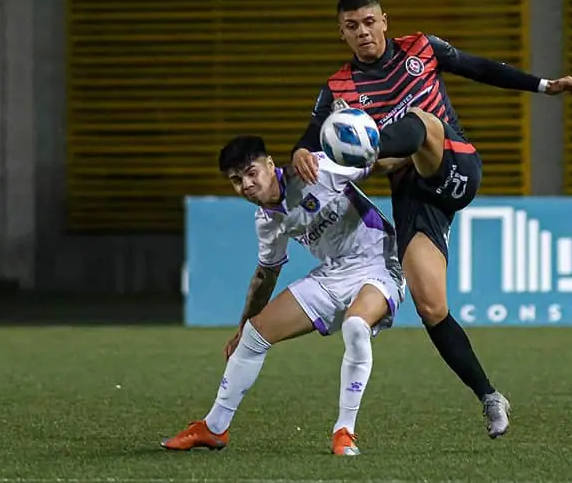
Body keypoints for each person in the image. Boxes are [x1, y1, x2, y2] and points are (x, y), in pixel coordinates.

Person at [291, 0, 572, 439]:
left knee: (426, 124)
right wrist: (300, 153)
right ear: (342, 33)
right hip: (414, 195)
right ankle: (490, 395)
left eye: (369, 22)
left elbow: (482, 68)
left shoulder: (421, 49)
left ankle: (369, 152)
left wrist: (545, 85)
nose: (363, 32)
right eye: (352, 26)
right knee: (431, 305)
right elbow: (310, 139)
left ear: (384, 21)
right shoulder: (338, 88)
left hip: (454, 163)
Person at [162, 135, 405, 456]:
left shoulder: (313, 170)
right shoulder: (266, 221)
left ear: (270, 164)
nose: (246, 185)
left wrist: (422, 154)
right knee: (253, 336)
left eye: (251, 173)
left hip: (380, 262)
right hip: (334, 274)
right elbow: (266, 274)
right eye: (236, 180)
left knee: (356, 326)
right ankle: (214, 428)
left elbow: (378, 164)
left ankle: (344, 431)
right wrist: (242, 327)